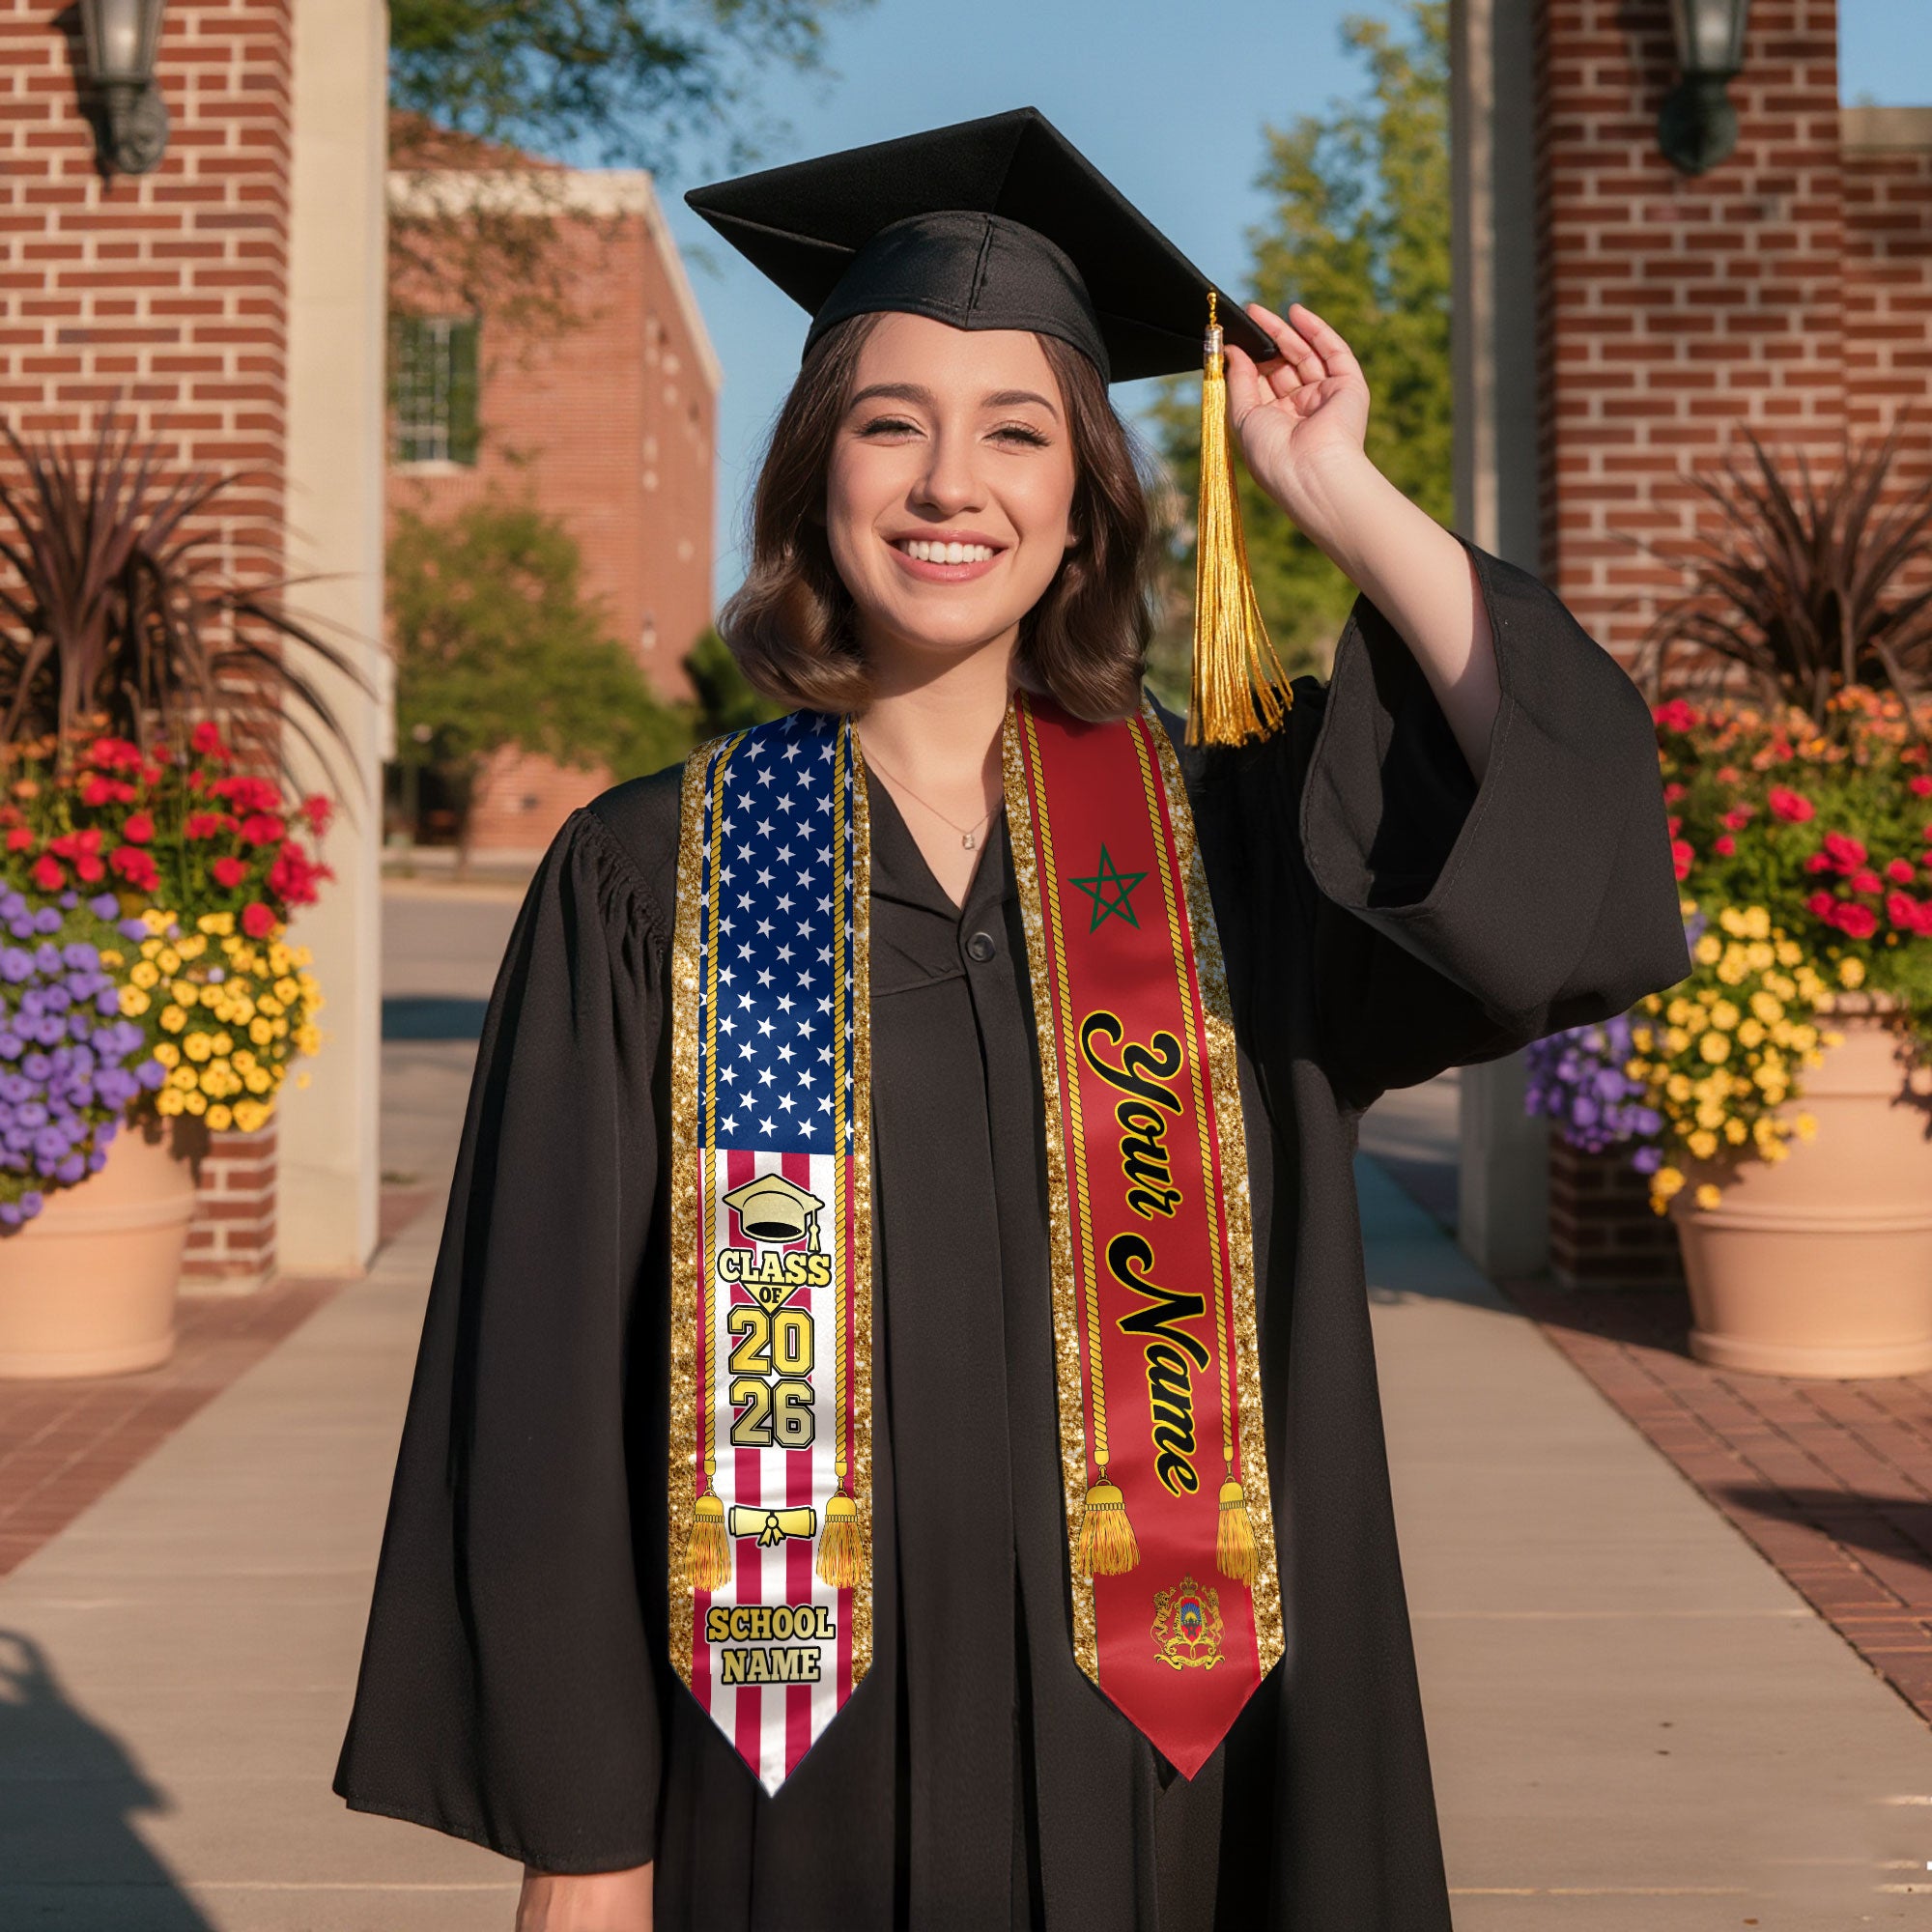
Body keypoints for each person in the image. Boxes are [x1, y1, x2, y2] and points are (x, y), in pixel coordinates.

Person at [333, 109, 1690, 1931]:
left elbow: (1559, 830)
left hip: (1189, 1777)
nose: (948, 483)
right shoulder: (647, 878)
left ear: (1083, 503)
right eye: (892, 424)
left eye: (1016, 433)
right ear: (818, 472)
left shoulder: (1234, 847)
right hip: (782, 1781)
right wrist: (585, 1844)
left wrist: (1336, 491)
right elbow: (549, 1388)